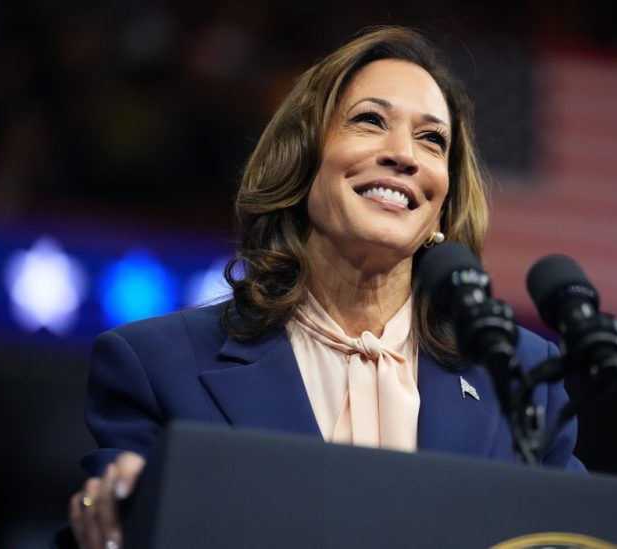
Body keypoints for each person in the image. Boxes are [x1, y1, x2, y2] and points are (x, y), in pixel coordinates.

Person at [66, 25, 585, 549]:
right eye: (369, 121)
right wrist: (110, 512)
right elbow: (111, 512)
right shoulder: (159, 364)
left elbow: (585, 531)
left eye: (432, 139)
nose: (404, 154)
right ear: (303, 160)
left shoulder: (518, 376)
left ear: (443, 205)